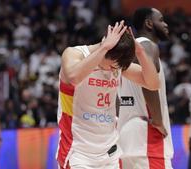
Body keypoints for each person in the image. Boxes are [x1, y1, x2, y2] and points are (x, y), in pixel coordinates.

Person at [56, 20, 161, 169]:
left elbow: (153, 83)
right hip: (78, 153)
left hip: (109, 152)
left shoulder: (116, 63)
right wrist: (104, 47)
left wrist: (140, 52)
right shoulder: (75, 53)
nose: (114, 70)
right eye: (112, 66)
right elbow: (73, 77)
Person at [118, 8, 174, 169]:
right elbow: (148, 84)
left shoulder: (126, 51)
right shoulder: (147, 46)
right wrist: (157, 120)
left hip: (126, 134)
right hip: (147, 135)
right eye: (161, 20)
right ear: (149, 23)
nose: (165, 24)